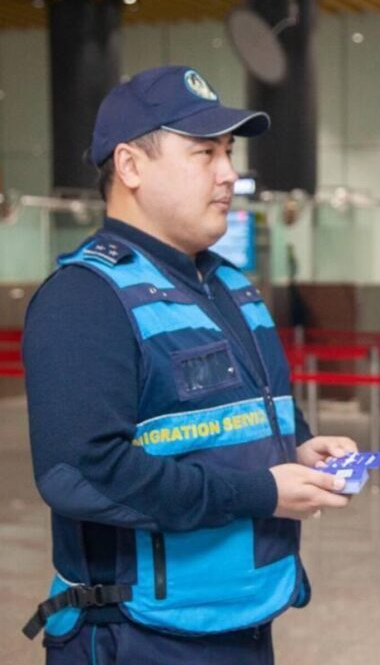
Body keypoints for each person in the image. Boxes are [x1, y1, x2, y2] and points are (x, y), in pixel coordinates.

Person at [22, 65, 357, 664]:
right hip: (136, 636)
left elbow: (242, 413)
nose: (230, 172)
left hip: (245, 622)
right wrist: (258, 490)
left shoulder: (230, 287)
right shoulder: (85, 298)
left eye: (229, 152)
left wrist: (297, 449)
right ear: (130, 167)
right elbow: (84, 473)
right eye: (205, 153)